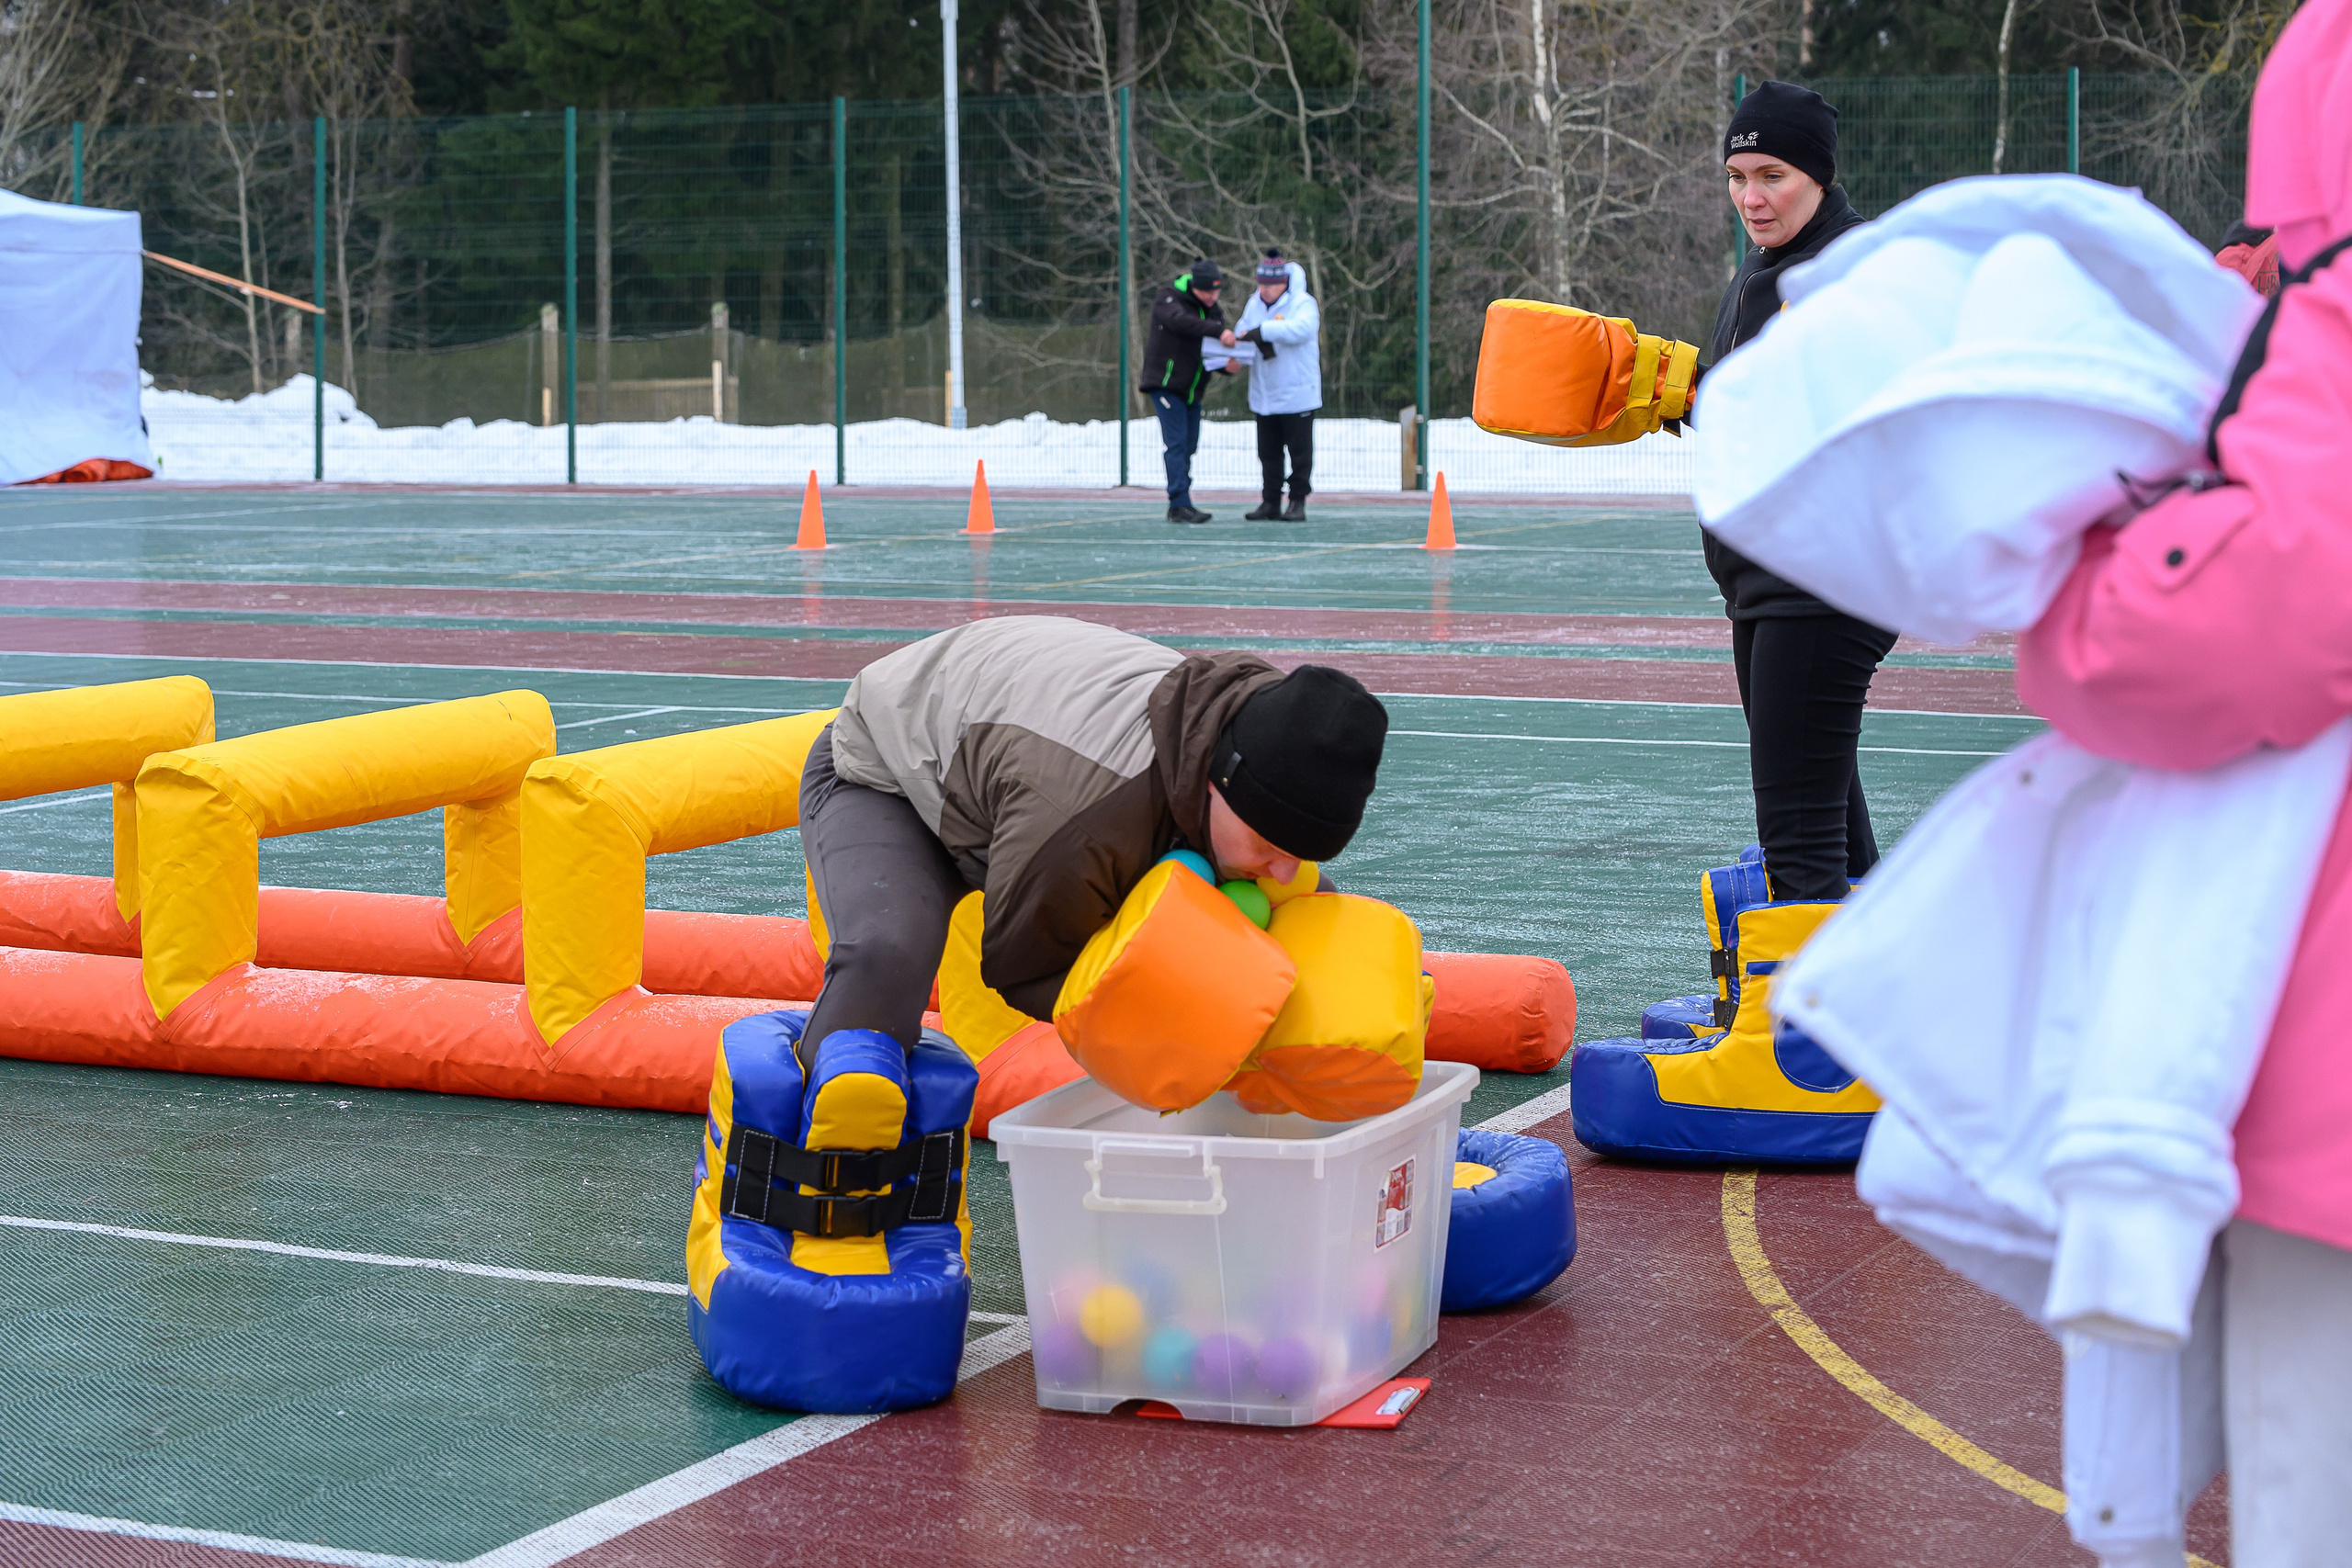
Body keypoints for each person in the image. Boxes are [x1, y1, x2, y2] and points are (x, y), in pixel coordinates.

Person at [2017, 0, 2352, 1556]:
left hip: (2329, 1115)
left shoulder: (2331, 345)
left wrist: (2066, 585)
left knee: (2308, 1483)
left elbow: (2214, 634)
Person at [798, 615, 1388, 1061]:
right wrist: (1195, 1024)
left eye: (1300, 853)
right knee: (888, 952)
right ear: (1218, 785)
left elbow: (1298, 891)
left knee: (1297, 914)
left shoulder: (1259, 733)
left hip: (1008, 767)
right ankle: (806, 1158)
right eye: (1271, 845)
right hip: (888, 769)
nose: (1283, 870)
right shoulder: (1082, 820)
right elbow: (1026, 969)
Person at [1702, 80, 1891, 905]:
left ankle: (1797, 1034)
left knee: (1798, 833)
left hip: (1820, 585)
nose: (1752, 196)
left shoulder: (1850, 269)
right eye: (1739, 177)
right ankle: (1887, 995)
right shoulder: (1769, 264)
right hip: (1767, 582)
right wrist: (1680, 391)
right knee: (1830, 819)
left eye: (1772, 175)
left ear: (1817, 173)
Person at [1141, 260, 1238, 525]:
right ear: (1195, 286)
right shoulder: (1168, 298)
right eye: (1208, 292)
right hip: (1165, 385)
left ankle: (1181, 500)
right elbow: (1181, 323)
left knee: (1189, 444)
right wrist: (1220, 331)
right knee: (1177, 443)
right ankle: (1179, 504)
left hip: (1192, 390)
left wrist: (1229, 366)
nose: (1213, 297)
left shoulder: (1213, 310)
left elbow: (1211, 352)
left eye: (1217, 292)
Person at [1234, 249, 1322, 521]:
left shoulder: (1303, 303)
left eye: (1271, 285)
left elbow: (1302, 330)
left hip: (1297, 395)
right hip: (1265, 395)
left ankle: (1297, 502)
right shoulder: (1254, 303)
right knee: (1268, 454)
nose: (1265, 290)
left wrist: (1264, 330)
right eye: (1261, 284)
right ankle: (1270, 501)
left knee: (1300, 454)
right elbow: (1243, 329)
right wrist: (1234, 349)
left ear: (1284, 282)